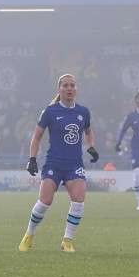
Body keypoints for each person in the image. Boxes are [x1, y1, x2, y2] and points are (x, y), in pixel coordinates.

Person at [20, 73, 96, 252]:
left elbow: (89, 131)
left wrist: (91, 146)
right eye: (66, 86)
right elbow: (37, 136)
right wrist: (32, 159)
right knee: (45, 201)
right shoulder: (50, 111)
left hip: (74, 165)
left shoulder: (83, 112)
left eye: (72, 86)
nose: (69, 89)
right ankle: (29, 234)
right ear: (59, 89)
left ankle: (67, 241)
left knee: (78, 200)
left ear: (76, 89)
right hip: (53, 163)